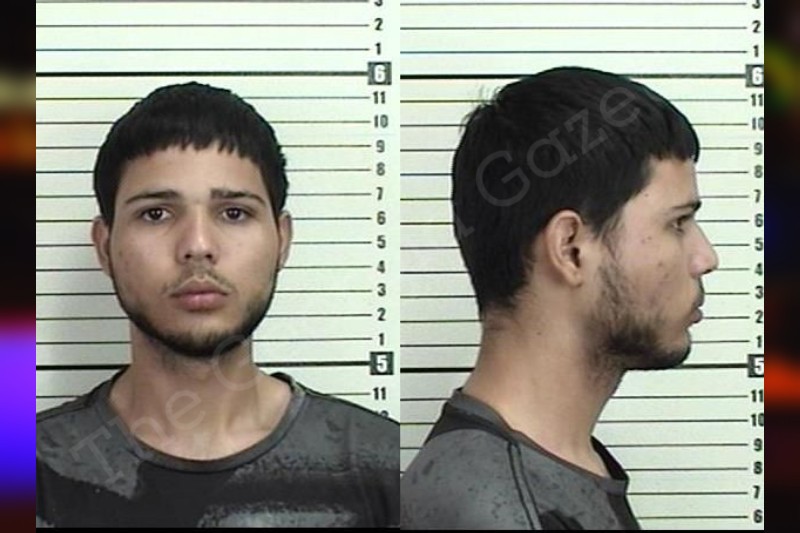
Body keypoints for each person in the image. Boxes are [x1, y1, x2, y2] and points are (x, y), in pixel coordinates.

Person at [36, 82, 399, 528]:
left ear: (282, 240)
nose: (198, 245)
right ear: (104, 245)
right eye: (156, 213)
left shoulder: (386, 468)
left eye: (233, 213)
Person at [401, 67, 719, 529]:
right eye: (678, 223)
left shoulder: (554, 468)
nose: (705, 257)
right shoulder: (496, 507)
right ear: (570, 248)